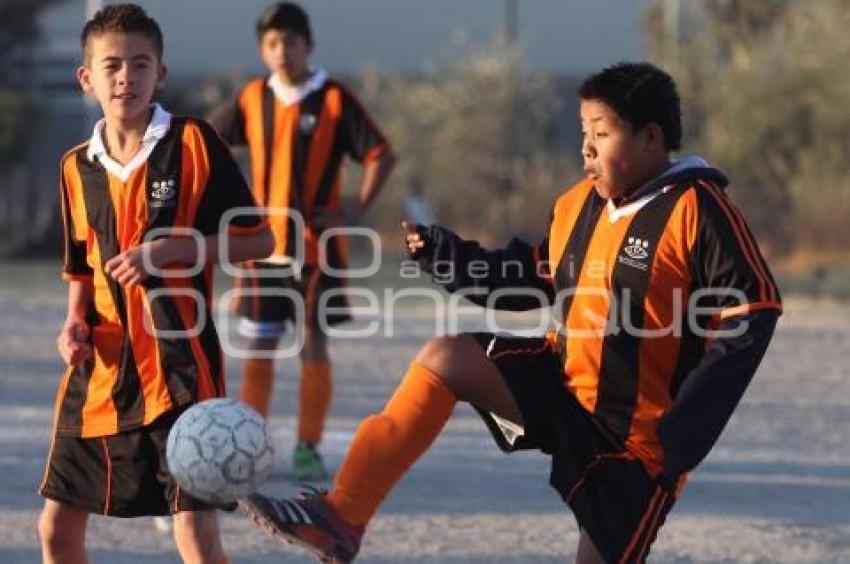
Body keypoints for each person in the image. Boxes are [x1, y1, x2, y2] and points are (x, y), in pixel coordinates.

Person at [238, 62, 782, 563]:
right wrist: (445, 257)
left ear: (651, 138)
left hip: (637, 445)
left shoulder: (698, 208)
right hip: (561, 387)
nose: (586, 148)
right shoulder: (578, 204)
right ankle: (342, 514)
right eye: (583, 132)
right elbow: (529, 277)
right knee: (448, 356)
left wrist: (687, 427)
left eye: (602, 133)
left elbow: (754, 309)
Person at [37, 5, 274, 563]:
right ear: (86, 79)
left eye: (140, 65)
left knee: (194, 537)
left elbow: (260, 242)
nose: (127, 77)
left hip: (182, 374)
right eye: (112, 65)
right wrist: (73, 321)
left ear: (160, 74)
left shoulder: (194, 143)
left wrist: (178, 249)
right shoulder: (76, 167)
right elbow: (81, 265)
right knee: (56, 533)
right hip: (98, 377)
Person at [210, 1, 396, 482]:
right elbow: (206, 143)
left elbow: (380, 153)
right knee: (260, 344)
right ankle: (249, 443)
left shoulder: (332, 99)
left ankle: (308, 447)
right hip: (260, 248)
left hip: (317, 249)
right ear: (262, 49)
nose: (282, 51)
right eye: (272, 43)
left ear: (308, 46)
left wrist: (354, 208)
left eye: (290, 41)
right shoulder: (252, 98)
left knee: (314, 343)